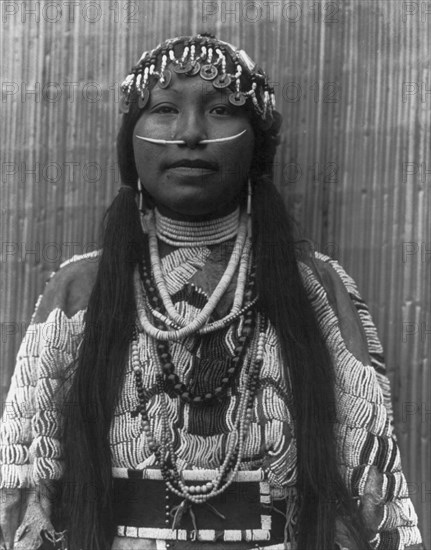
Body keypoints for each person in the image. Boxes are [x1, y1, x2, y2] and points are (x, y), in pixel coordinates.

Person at [0, 33, 424, 550]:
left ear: (256, 141)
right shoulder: (79, 291)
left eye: (221, 109)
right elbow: (28, 487)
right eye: (163, 109)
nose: (191, 132)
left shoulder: (315, 289)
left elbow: (368, 483)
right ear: (131, 143)